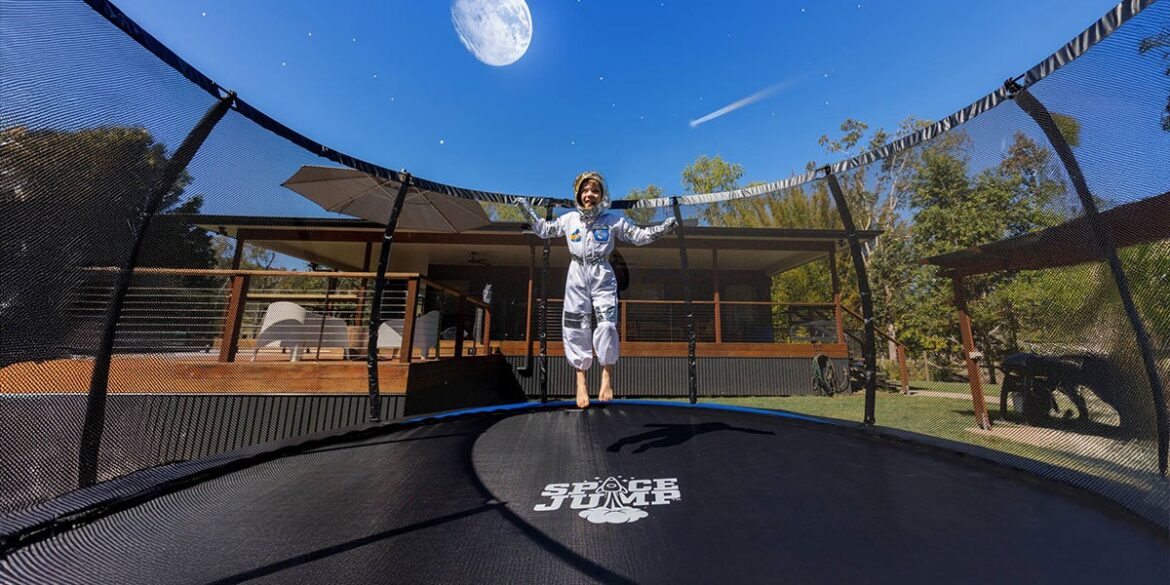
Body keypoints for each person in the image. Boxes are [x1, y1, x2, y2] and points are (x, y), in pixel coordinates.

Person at [517, 171, 676, 408]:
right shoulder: (569, 219)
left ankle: (606, 374)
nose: (589, 195)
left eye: (595, 191)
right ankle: (580, 380)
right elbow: (542, 229)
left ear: (602, 195)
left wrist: (663, 227)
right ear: (578, 194)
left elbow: (639, 236)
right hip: (577, 275)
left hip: (602, 274)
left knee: (607, 324)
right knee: (575, 325)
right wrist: (524, 208)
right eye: (585, 190)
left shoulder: (612, 220)